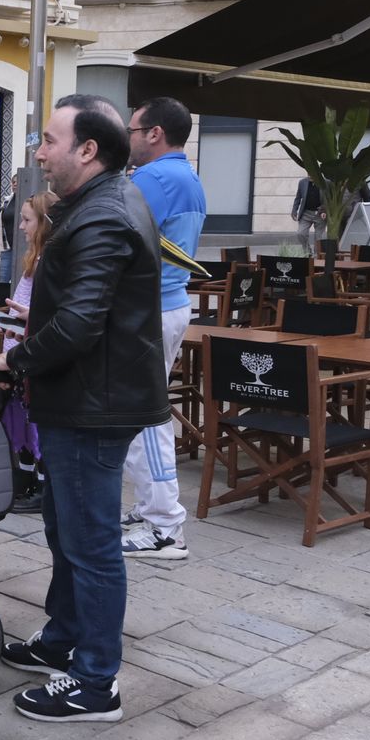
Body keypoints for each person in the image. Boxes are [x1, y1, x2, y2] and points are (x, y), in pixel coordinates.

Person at [0, 95, 168, 724]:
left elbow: (81, 324)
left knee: (91, 544)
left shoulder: (103, 216)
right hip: (83, 399)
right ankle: (62, 637)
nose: (38, 152)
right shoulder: (98, 204)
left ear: (88, 150)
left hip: (94, 406)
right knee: (66, 530)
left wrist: (17, 359)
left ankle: (95, 682)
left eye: (49, 141)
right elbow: (81, 308)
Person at [122, 97, 204, 560]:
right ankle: (151, 508)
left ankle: (164, 527)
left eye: (133, 131)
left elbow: (119, 238)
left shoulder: (153, 178)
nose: (128, 139)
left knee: (147, 418)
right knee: (145, 414)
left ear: (154, 134)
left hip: (150, 309)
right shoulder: (188, 177)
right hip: (169, 304)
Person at [0, 190, 58, 515]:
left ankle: (40, 484)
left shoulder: (49, 261)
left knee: (33, 423)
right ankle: (24, 481)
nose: (20, 226)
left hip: (31, 350)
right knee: (19, 419)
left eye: (26, 220)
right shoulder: (34, 258)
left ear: (45, 223)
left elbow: (46, 311)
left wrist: (24, 319)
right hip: (19, 344)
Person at [0, 172, 20, 284]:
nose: (14, 184)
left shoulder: (30, 201)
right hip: (7, 246)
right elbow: (0, 224)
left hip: (22, 248)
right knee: (2, 280)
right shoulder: (7, 201)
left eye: (17, 182)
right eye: (13, 182)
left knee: (19, 281)